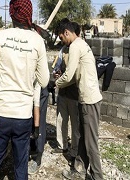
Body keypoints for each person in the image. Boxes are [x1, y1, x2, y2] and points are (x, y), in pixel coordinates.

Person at [0, 0, 49, 180]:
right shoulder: (37, 41)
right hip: (23, 116)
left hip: (1, 111)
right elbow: (44, 81)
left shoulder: (1, 36)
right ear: (29, 14)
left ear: (12, 15)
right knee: (20, 166)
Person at [55, 20, 103, 179]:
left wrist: (55, 83)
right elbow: (76, 75)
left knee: (91, 144)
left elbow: (69, 75)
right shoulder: (82, 44)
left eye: (62, 38)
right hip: (87, 98)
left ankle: (97, 176)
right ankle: (79, 169)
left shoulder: (75, 46)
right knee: (82, 137)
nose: (63, 42)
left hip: (89, 100)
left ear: (67, 33)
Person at [51, 20, 80, 170]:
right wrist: (57, 72)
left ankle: (74, 152)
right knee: (61, 120)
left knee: (75, 126)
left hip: (75, 94)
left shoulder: (78, 49)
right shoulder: (63, 50)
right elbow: (57, 66)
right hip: (63, 92)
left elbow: (74, 75)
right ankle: (62, 145)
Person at [28, 84, 49, 174]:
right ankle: (32, 146)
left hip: (39, 89)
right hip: (28, 87)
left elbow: (44, 77)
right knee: (29, 118)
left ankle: (38, 156)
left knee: (39, 121)